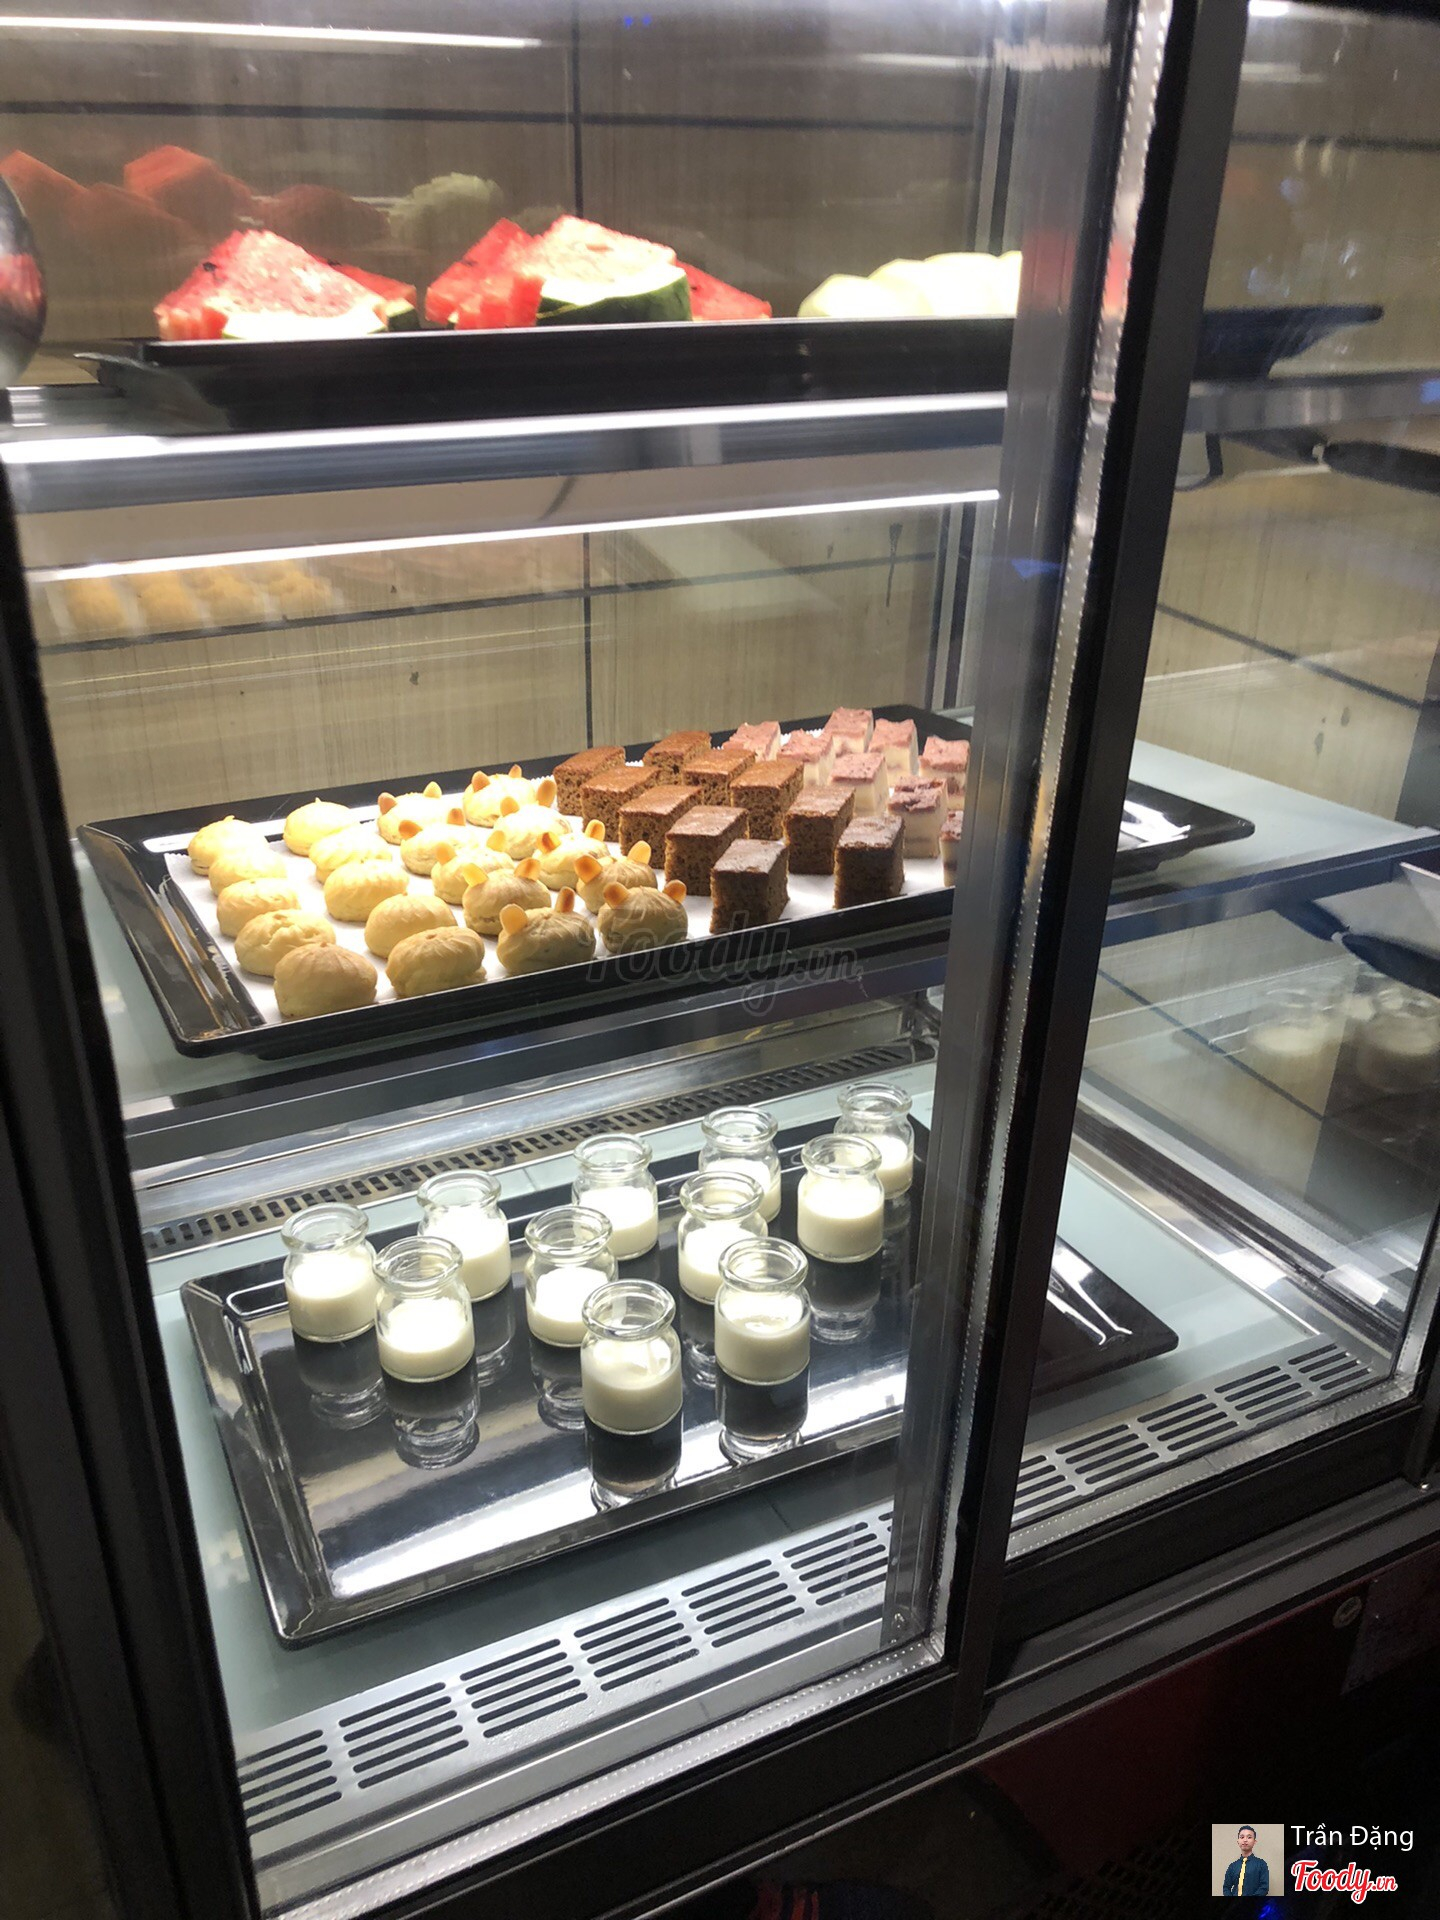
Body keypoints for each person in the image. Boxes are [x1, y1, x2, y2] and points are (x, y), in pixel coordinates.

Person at [1222, 1827, 1270, 1897]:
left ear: (1254, 1842)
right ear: (1238, 1841)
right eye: (1242, 1837)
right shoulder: (1232, 1866)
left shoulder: (1261, 1864)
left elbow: (1264, 1888)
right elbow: (1226, 1888)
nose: (1245, 1840)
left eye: (1249, 1837)